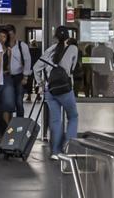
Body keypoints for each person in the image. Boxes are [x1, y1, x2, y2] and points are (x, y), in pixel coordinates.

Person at [32, 26, 80, 160]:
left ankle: (55, 152)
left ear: (55, 37)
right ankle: (69, 148)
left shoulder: (50, 50)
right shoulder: (73, 49)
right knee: (73, 116)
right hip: (65, 89)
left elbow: (36, 68)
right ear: (68, 36)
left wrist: (41, 84)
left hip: (50, 90)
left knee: (56, 120)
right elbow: (72, 68)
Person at [4, 25, 33, 119]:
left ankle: (19, 123)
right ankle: (9, 125)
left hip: (19, 76)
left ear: (14, 34)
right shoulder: (3, 47)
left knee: (19, 101)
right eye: (8, 34)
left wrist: (25, 77)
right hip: (7, 77)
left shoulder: (22, 45)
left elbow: (27, 60)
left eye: (11, 34)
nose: (10, 37)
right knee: (8, 102)